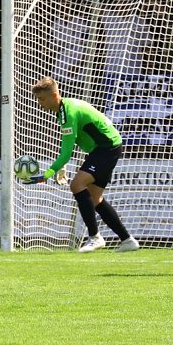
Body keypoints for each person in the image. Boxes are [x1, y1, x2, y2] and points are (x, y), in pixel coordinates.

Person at [29, 77, 140, 253]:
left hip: (106, 148)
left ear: (54, 95)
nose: (40, 103)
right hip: (107, 147)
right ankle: (127, 240)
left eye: (42, 99)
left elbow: (66, 152)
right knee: (95, 199)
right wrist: (62, 165)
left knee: (77, 185)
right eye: (38, 99)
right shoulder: (66, 108)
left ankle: (95, 237)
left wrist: (47, 174)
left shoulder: (68, 112)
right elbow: (69, 143)